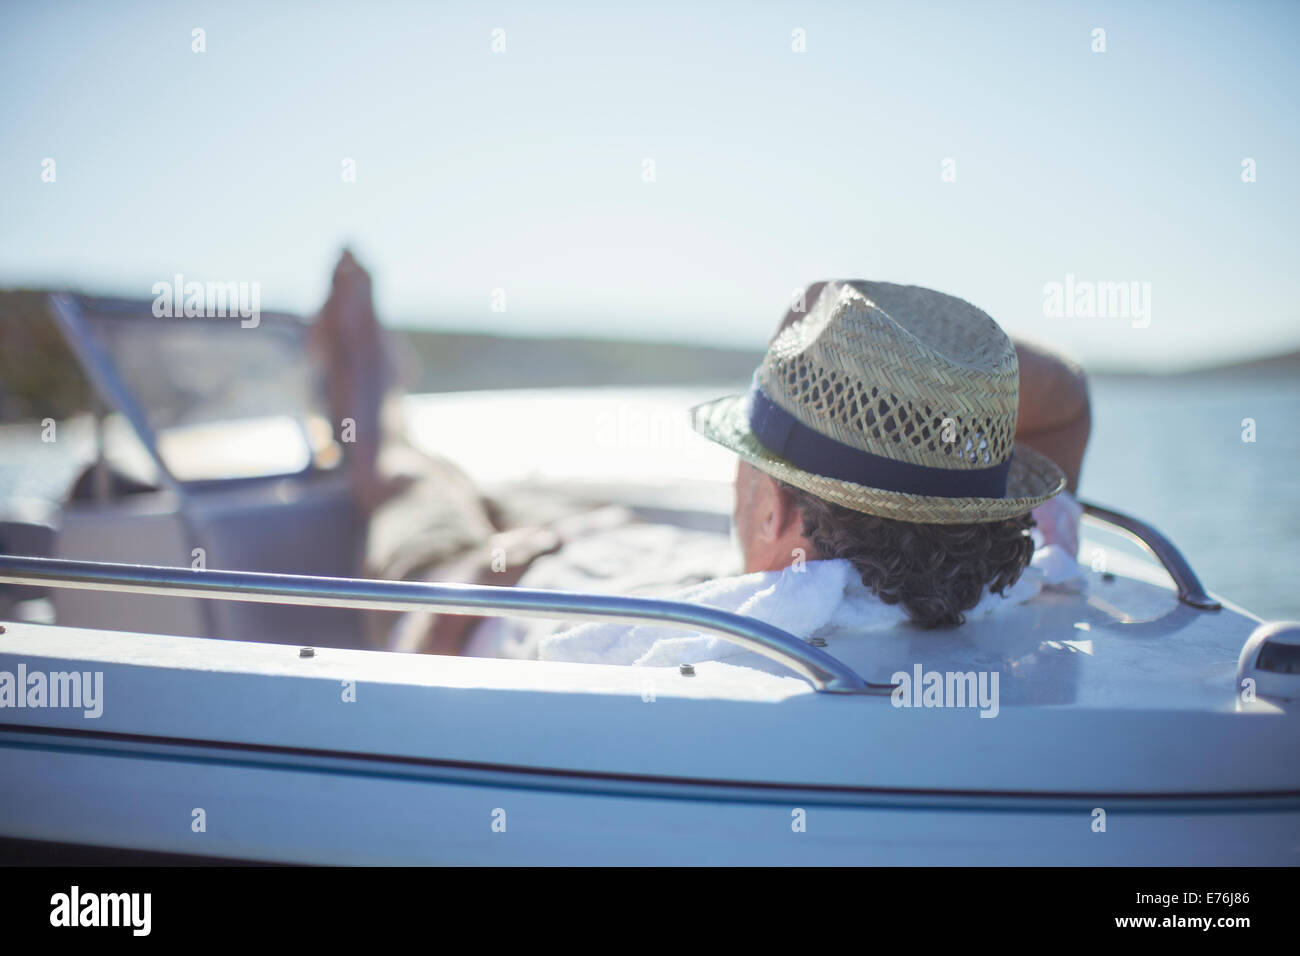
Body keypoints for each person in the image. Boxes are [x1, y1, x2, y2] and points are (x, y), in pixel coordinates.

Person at [311, 254, 1090, 660]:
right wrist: (908, 363)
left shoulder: (657, 666)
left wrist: (494, 569)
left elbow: (420, 650)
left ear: (779, 509)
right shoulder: (1011, 583)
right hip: (598, 539)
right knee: (459, 482)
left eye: (745, 462)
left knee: (405, 477)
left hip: (508, 567)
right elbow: (1070, 401)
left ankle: (364, 374)